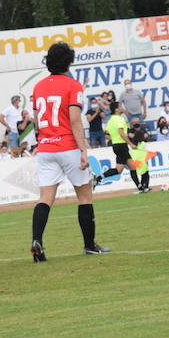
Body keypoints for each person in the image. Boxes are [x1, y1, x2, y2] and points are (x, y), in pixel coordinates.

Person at [28, 42, 109, 261]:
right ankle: (89, 245)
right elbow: (74, 119)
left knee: (45, 198)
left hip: (46, 147)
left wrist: (42, 140)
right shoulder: (73, 85)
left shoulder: (38, 87)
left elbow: (36, 120)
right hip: (68, 146)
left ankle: (37, 241)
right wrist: (83, 149)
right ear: (69, 62)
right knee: (84, 196)